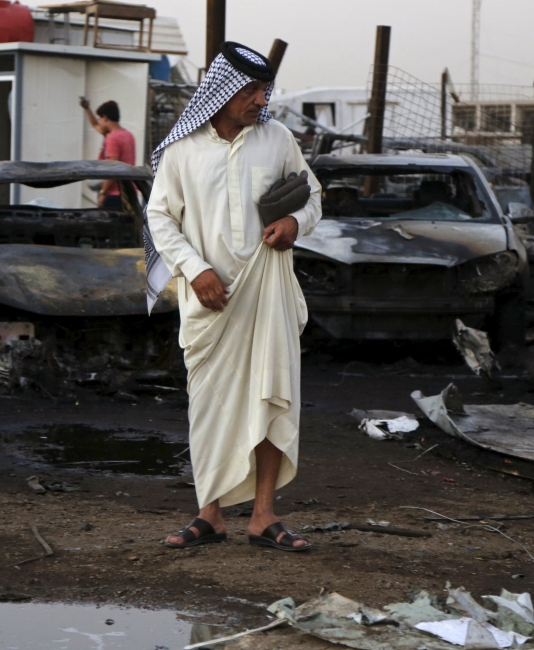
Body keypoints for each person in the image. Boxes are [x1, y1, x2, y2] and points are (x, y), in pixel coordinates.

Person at [145, 42, 322, 552]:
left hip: (269, 294)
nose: (259, 100)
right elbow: (160, 219)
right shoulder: (182, 150)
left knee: (272, 398)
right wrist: (195, 269)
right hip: (210, 303)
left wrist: (293, 222)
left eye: (264, 90)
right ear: (220, 92)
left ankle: (264, 517)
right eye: (249, 90)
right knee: (211, 405)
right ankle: (210, 516)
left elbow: (313, 197)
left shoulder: (278, 139)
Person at [79, 98, 136, 208]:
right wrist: (87, 109)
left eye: (100, 119)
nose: (99, 122)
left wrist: (103, 193)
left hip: (113, 194)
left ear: (105, 118)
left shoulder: (112, 138)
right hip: (128, 192)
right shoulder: (128, 135)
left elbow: (113, 168)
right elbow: (96, 125)